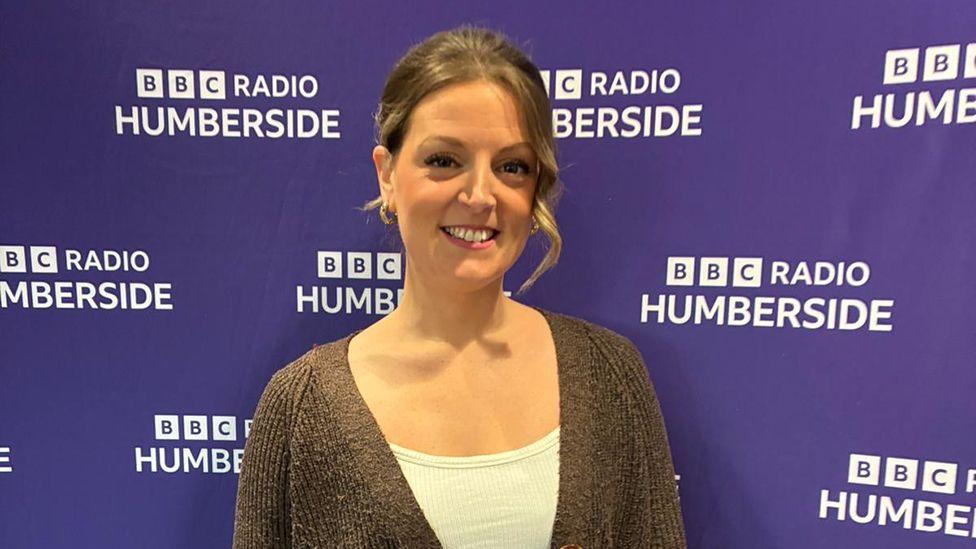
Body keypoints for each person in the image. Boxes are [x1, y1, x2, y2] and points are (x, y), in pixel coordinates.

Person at [232, 25, 686, 548]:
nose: (479, 195)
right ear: (387, 175)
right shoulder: (298, 410)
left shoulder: (611, 376)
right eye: (444, 160)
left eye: (511, 167)